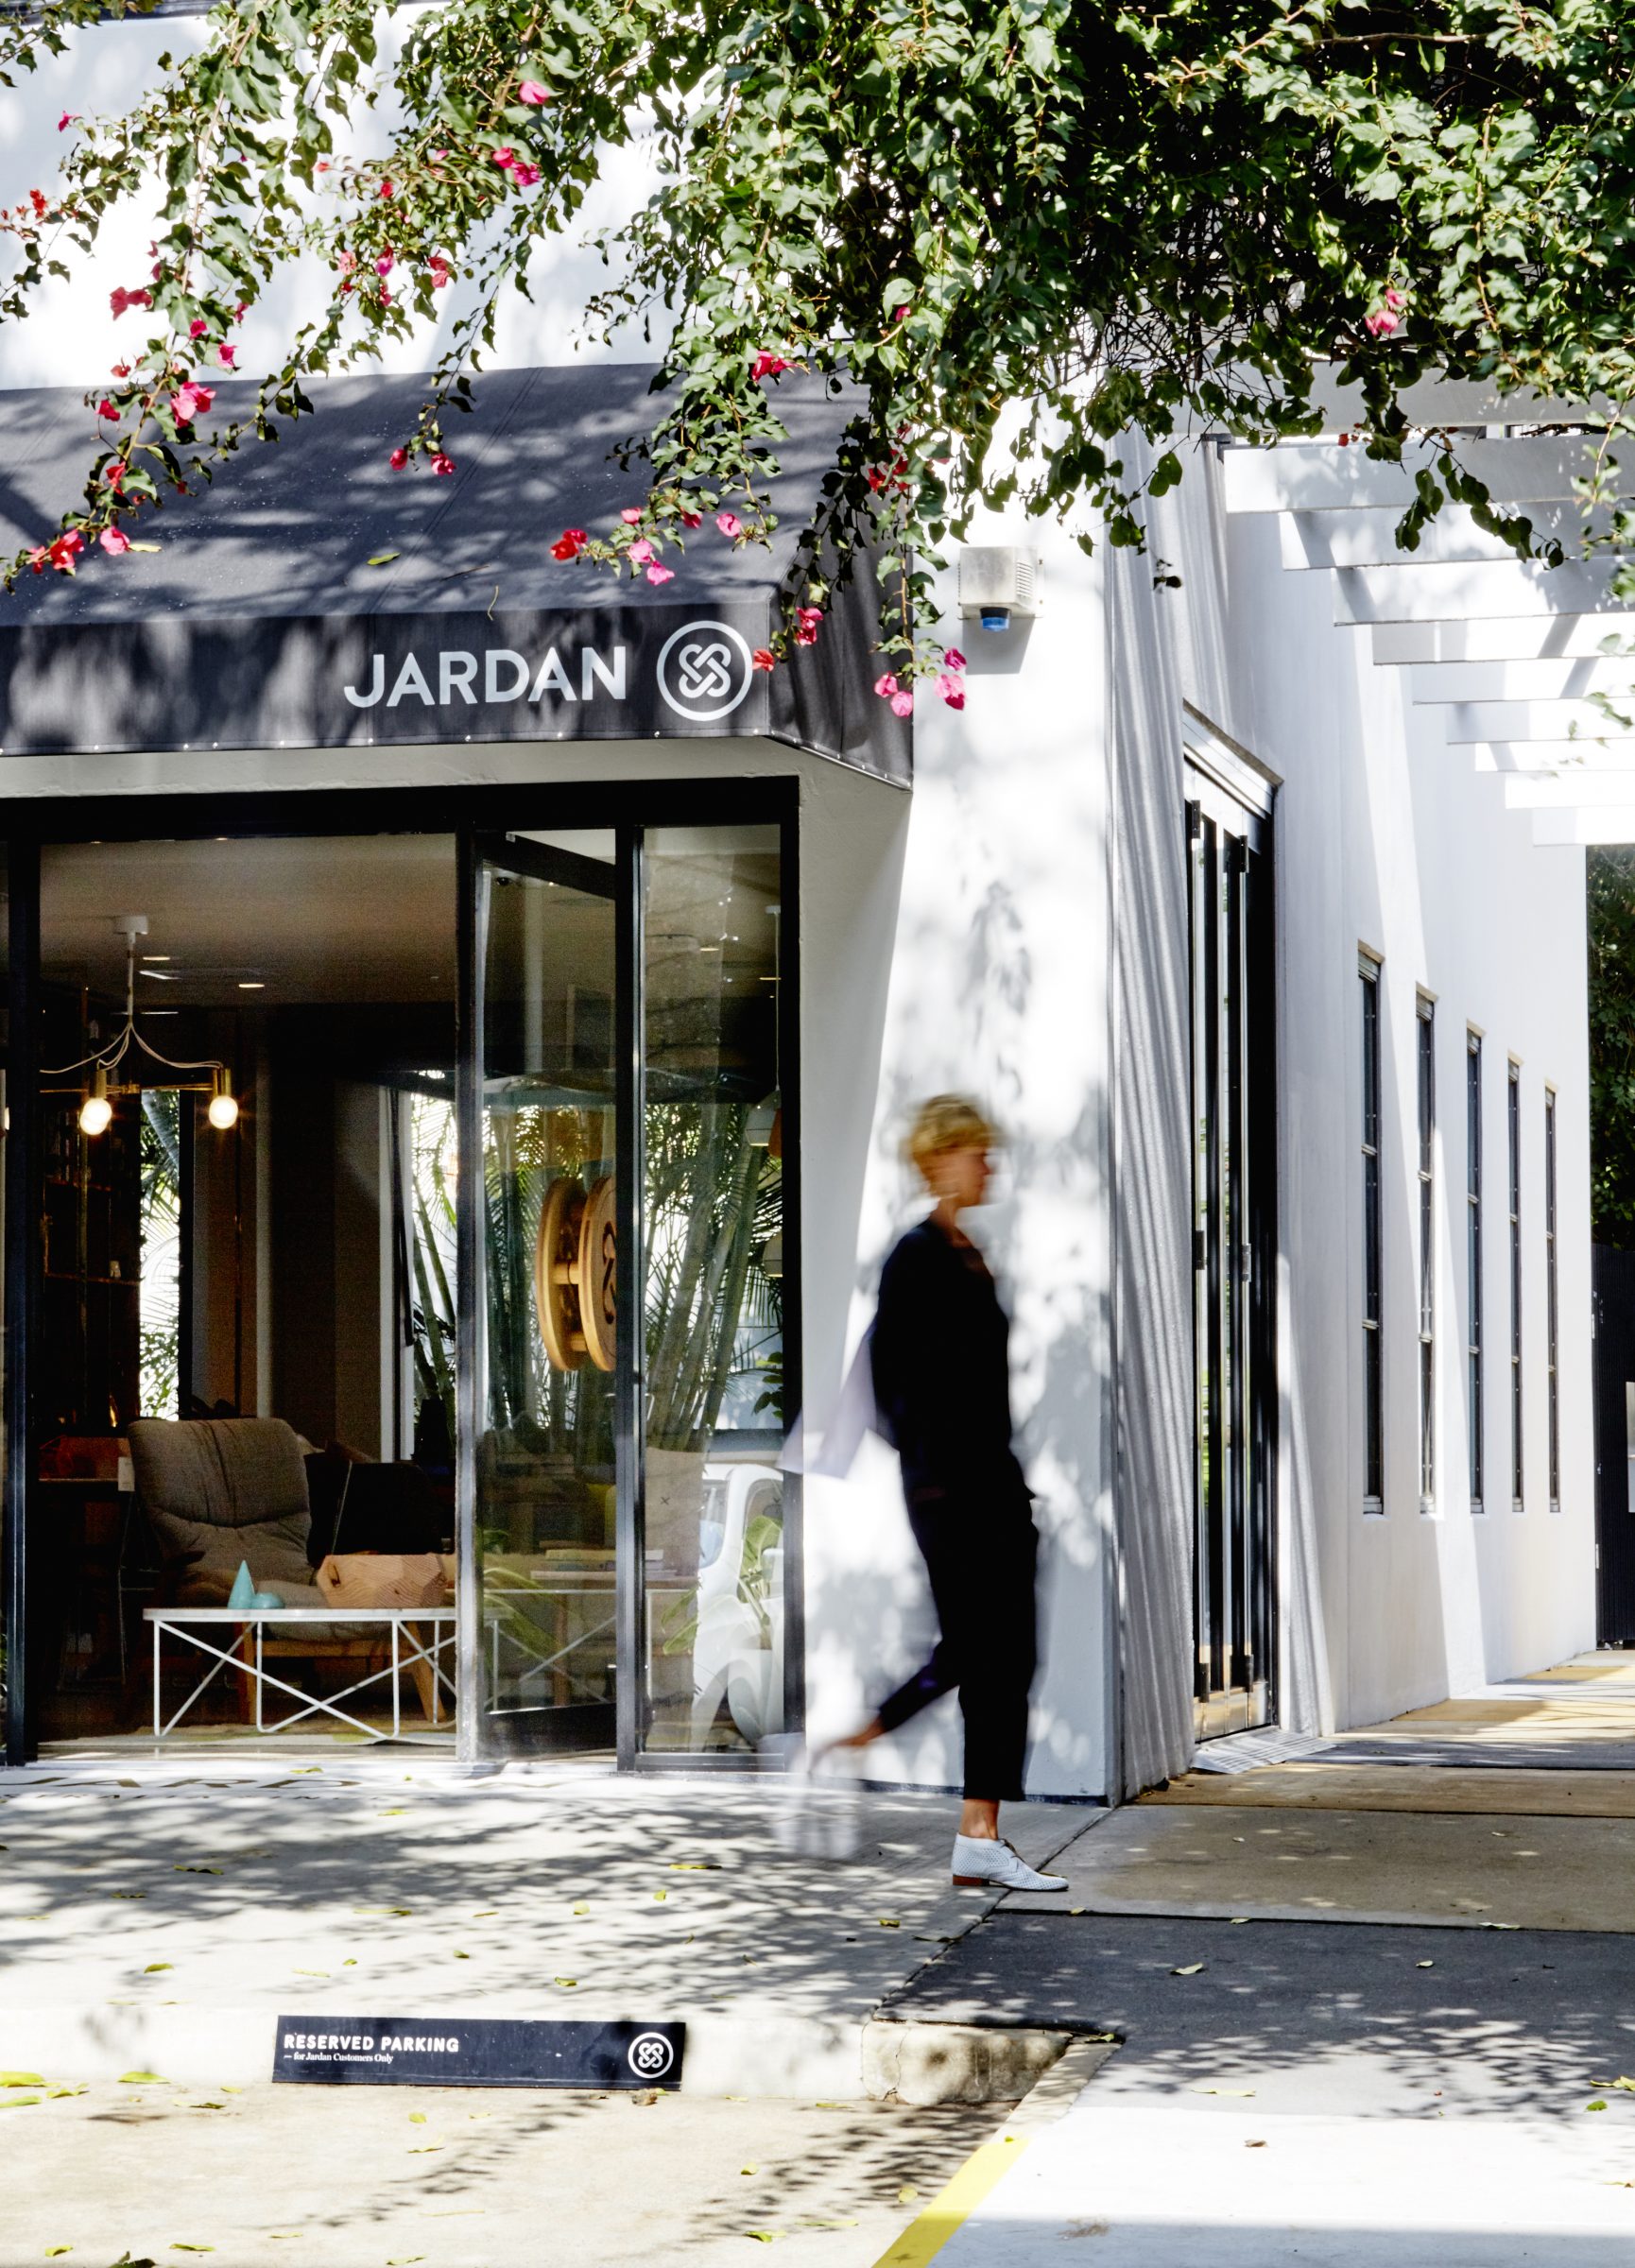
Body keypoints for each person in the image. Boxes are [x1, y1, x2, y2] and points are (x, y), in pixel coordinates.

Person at [835, 1095, 1066, 1894]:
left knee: (1008, 1658)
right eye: (977, 1153)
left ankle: (978, 1832)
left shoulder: (968, 1253)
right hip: (951, 1493)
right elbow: (892, 1387)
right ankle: (865, 1734)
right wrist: (940, 1473)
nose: (989, 1165)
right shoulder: (917, 1257)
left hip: (993, 1490)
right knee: (978, 1652)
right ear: (940, 1159)